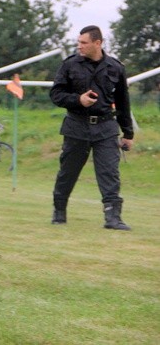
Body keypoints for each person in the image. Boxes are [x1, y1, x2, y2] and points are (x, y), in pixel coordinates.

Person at [50, 25, 134, 231]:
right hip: (76, 125)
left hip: (106, 127)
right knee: (68, 172)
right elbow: (56, 95)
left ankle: (113, 218)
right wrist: (78, 99)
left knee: (109, 172)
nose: (79, 46)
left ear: (98, 43)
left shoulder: (116, 67)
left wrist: (128, 133)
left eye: (83, 43)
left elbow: (123, 102)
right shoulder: (70, 65)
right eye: (78, 42)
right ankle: (59, 211)